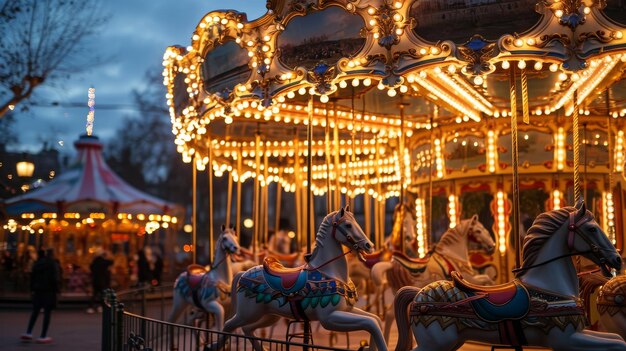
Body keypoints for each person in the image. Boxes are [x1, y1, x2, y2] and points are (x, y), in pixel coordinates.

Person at [21, 249, 60, 343]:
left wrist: (32, 289)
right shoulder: (53, 264)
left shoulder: (38, 263)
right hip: (49, 291)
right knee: (47, 313)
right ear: (53, 254)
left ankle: (28, 332)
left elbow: (32, 276)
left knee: (35, 311)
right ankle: (43, 335)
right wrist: (57, 290)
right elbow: (55, 278)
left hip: (38, 290)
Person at [87, 249, 113, 314]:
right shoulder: (104, 261)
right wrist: (108, 254)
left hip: (95, 280)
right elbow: (111, 261)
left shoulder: (94, 262)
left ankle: (91, 307)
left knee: (94, 294)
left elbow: (91, 268)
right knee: (102, 295)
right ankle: (101, 307)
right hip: (102, 280)